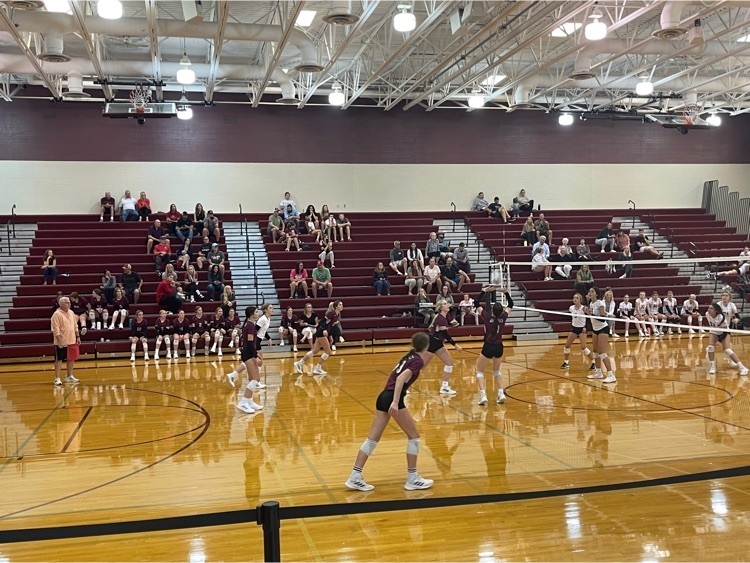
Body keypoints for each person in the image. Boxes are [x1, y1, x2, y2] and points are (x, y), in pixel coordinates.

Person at [344, 332, 434, 492]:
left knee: (372, 440)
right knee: (414, 437)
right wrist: (395, 401)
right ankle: (412, 479)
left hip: (383, 396)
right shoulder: (417, 361)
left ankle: (354, 476)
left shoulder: (409, 357)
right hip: (392, 398)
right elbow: (400, 379)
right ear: (426, 346)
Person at [474, 286, 513, 405]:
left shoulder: (487, 316)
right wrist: (506, 293)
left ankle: (483, 395)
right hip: (499, 347)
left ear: (492, 311)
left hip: (488, 346)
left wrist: (483, 291)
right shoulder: (503, 317)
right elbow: (511, 304)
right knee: (496, 372)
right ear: (501, 311)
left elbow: (476, 302)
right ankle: (501, 393)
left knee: (479, 371)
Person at [225, 306, 265, 413]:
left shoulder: (249, 324)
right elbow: (251, 343)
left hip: (247, 352)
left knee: (252, 377)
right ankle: (243, 402)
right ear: (252, 314)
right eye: (256, 312)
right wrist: (256, 355)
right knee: (256, 379)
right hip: (248, 353)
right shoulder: (251, 326)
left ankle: (249, 401)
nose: (258, 313)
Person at [294, 301, 343, 375]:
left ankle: (299, 363)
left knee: (315, 351)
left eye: (342, 304)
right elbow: (323, 322)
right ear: (336, 306)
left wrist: (330, 336)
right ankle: (318, 368)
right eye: (340, 304)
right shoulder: (331, 314)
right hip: (321, 332)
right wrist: (324, 330)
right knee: (328, 351)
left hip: (321, 333)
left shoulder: (337, 314)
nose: (342, 306)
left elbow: (330, 326)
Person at [425, 299, 463, 395]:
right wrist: (456, 345)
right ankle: (402, 383)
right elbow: (446, 334)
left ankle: (444, 387)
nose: (447, 305)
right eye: (445, 304)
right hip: (433, 343)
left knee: (449, 362)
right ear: (441, 307)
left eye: (447, 303)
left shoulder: (441, 317)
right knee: (420, 365)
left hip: (437, 344)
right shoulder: (441, 319)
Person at [705, 302, 748, 376]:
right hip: (714, 332)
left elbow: (725, 331)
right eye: (708, 308)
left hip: (724, 332)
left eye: (711, 308)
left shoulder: (721, 317)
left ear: (716, 310)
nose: (709, 310)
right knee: (710, 347)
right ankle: (712, 366)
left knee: (727, 350)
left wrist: (719, 341)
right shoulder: (707, 314)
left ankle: (742, 367)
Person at [585, 287, 617, 384]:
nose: (590, 293)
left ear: (597, 294)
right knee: (595, 352)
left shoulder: (600, 303)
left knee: (602, 352)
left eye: (592, 292)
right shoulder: (591, 304)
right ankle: (598, 372)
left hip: (603, 329)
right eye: (589, 291)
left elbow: (602, 319)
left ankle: (611, 375)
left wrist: (590, 313)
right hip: (595, 330)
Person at [50, 296, 80, 386]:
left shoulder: (71, 312)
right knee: (59, 360)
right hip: (61, 341)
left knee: (71, 359)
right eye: (67, 302)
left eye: (69, 302)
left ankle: (69, 375)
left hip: (72, 340)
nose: (69, 304)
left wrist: (78, 336)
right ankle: (57, 378)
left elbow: (75, 326)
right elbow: (56, 330)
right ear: (61, 304)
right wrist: (59, 342)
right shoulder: (56, 314)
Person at [561, 293, 595, 370]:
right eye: (574, 298)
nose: (575, 299)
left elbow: (590, 317)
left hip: (582, 329)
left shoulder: (584, 308)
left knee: (583, 347)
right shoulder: (571, 308)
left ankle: (594, 362)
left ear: (580, 299)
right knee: (567, 345)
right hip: (574, 328)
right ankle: (566, 362)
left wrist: (585, 327)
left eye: (577, 298)